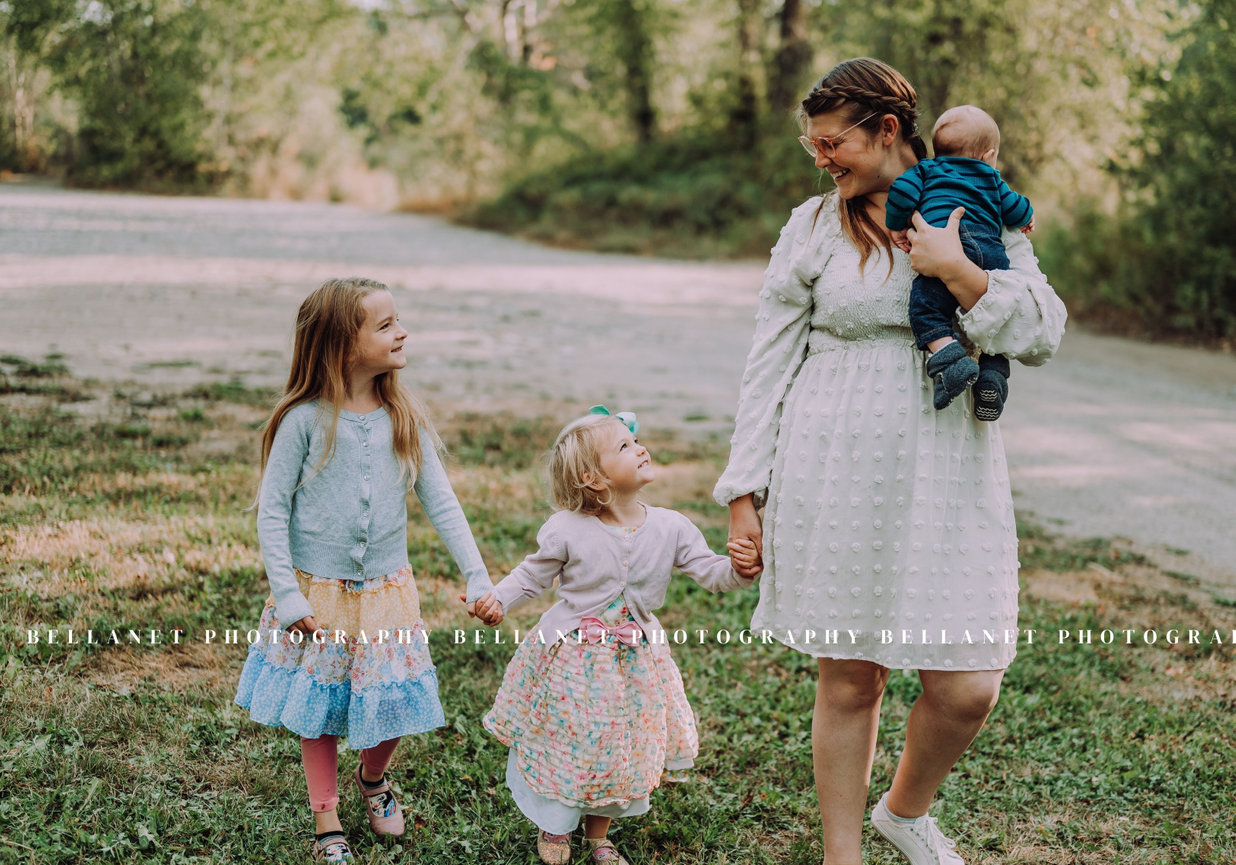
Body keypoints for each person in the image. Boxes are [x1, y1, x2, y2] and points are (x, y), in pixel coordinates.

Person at [715, 59, 1066, 865]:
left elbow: (1043, 329)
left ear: (885, 129)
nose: (822, 159)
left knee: (969, 682)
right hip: (835, 459)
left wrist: (958, 271)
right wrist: (745, 490)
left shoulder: (975, 198)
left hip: (949, 466)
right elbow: (768, 360)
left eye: (833, 142)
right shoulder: (811, 227)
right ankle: (845, 855)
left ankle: (905, 811)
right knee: (850, 676)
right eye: (813, 146)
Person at [234, 277, 495, 864]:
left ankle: (373, 779)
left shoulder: (402, 416)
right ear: (342, 346)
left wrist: (478, 576)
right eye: (385, 325)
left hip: (387, 592)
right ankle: (326, 818)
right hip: (316, 592)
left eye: (397, 320)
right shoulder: (303, 421)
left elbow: (442, 503)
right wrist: (287, 596)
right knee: (322, 707)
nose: (402, 332)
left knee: (394, 696)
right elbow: (273, 512)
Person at [471, 407, 758, 865]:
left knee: (618, 744)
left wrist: (739, 571)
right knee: (572, 741)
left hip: (634, 660)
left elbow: (711, 573)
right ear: (594, 479)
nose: (640, 447)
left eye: (635, 439)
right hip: (572, 659)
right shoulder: (568, 529)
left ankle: (598, 835)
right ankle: (557, 827)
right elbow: (533, 575)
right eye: (624, 446)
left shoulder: (671, 526)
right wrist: (499, 600)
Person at [886, 105, 1036, 421]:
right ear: (989, 154)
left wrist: (896, 223)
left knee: (926, 308)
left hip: (944, 240)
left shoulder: (926, 170)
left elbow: (901, 192)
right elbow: (1016, 207)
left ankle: (950, 360)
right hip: (989, 250)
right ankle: (992, 377)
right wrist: (1027, 217)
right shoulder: (991, 177)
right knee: (994, 314)